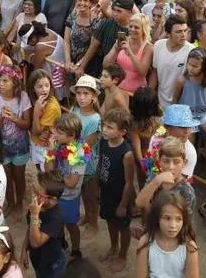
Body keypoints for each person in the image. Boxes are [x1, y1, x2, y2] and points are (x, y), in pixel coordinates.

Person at [96, 109, 135, 272]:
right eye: (104, 125)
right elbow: (100, 164)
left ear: (123, 132)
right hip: (106, 193)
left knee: (123, 227)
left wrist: (123, 205)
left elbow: (129, 183)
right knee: (110, 221)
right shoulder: (104, 143)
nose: (105, 129)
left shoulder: (126, 154)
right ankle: (113, 247)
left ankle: (123, 255)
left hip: (120, 197)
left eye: (110, 127)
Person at [46, 113, 89, 261]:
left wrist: (55, 175)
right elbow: (49, 167)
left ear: (72, 135)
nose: (55, 134)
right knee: (57, 223)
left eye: (59, 132)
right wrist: (51, 150)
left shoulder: (79, 154)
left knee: (71, 225)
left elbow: (71, 182)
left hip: (69, 197)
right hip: (56, 194)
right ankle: (62, 244)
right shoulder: (59, 144)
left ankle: (76, 251)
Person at [0, 65, 30, 215]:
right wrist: (2, 117)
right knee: (5, 177)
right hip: (2, 146)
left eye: (5, 80)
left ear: (15, 83)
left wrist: (14, 118)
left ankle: (19, 203)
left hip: (21, 145)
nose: (1, 83)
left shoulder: (23, 97)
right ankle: (10, 203)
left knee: (19, 177)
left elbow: (27, 125)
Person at [68, 74, 102, 239]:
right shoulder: (74, 110)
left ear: (94, 97)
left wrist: (67, 147)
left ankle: (94, 223)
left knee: (91, 196)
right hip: (75, 161)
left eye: (86, 94)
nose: (81, 97)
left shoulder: (95, 120)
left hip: (88, 165)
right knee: (82, 193)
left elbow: (86, 145)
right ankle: (87, 216)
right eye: (79, 93)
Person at [135, 191, 199, 278]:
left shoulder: (189, 248)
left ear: (184, 220)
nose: (173, 225)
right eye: (167, 218)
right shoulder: (145, 243)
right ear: (157, 218)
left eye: (178, 219)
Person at [135, 136, 196, 213]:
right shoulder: (155, 177)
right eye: (166, 161)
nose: (171, 167)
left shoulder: (186, 191)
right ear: (159, 161)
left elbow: (186, 222)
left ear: (184, 163)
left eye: (176, 162)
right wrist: (156, 181)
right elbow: (139, 203)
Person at [149, 14, 194, 107]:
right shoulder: (158, 45)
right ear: (168, 33)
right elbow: (155, 72)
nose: (183, 35)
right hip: (160, 102)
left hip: (182, 104)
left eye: (185, 31)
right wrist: (150, 96)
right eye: (178, 32)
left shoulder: (191, 50)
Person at [28, 69, 62, 170]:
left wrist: (36, 112)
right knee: (39, 172)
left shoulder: (51, 107)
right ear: (33, 88)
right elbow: (32, 128)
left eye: (47, 85)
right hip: (36, 144)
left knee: (47, 176)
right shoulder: (33, 99)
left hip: (45, 147)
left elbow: (36, 131)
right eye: (39, 86)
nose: (44, 90)